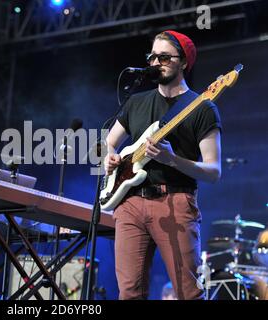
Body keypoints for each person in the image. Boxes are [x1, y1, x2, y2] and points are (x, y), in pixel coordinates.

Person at [104, 30, 222, 300]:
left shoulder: (202, 108)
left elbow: (214, 172)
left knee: (188, 292)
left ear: (183, 62)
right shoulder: (136, 102)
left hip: (176, 200)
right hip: (130, 203)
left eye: (164, 57)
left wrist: (172, 159)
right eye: (153, 57)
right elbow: (107, 143)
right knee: (129, 292)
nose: (156, 62)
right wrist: (108, 157)